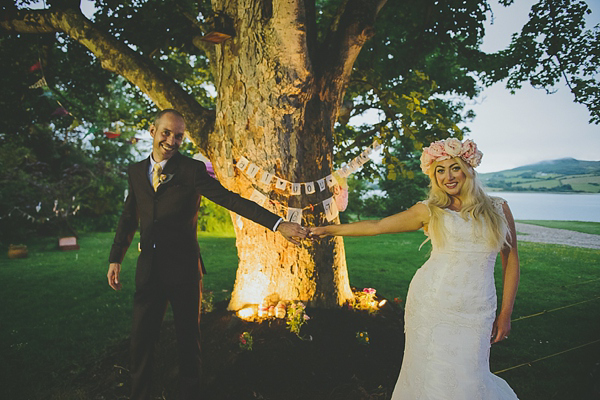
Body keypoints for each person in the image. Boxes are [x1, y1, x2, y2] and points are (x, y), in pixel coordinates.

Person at [107, 109, 307, 400]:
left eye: (178, 136)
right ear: (153, 131)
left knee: (189, 344)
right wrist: (116, 258)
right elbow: (128, 217)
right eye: (166, 133)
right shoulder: (136, 172)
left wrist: (279, 224)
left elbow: (230, 199)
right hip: (148, 270)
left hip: (184, 272)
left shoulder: (191, 170)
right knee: (141, 343)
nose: (171, 140)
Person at [309, 138, 520, 399]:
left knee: (470, 373)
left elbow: (510, 260)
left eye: (454, 167)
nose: (447, 177)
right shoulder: (430, 210)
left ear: (469, 168)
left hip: (477, 305)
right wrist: (330, 230)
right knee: (431, 371)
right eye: (439, 171)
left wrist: (506, 314)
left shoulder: (499, 209)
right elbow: (378, 226)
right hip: (432, 302)